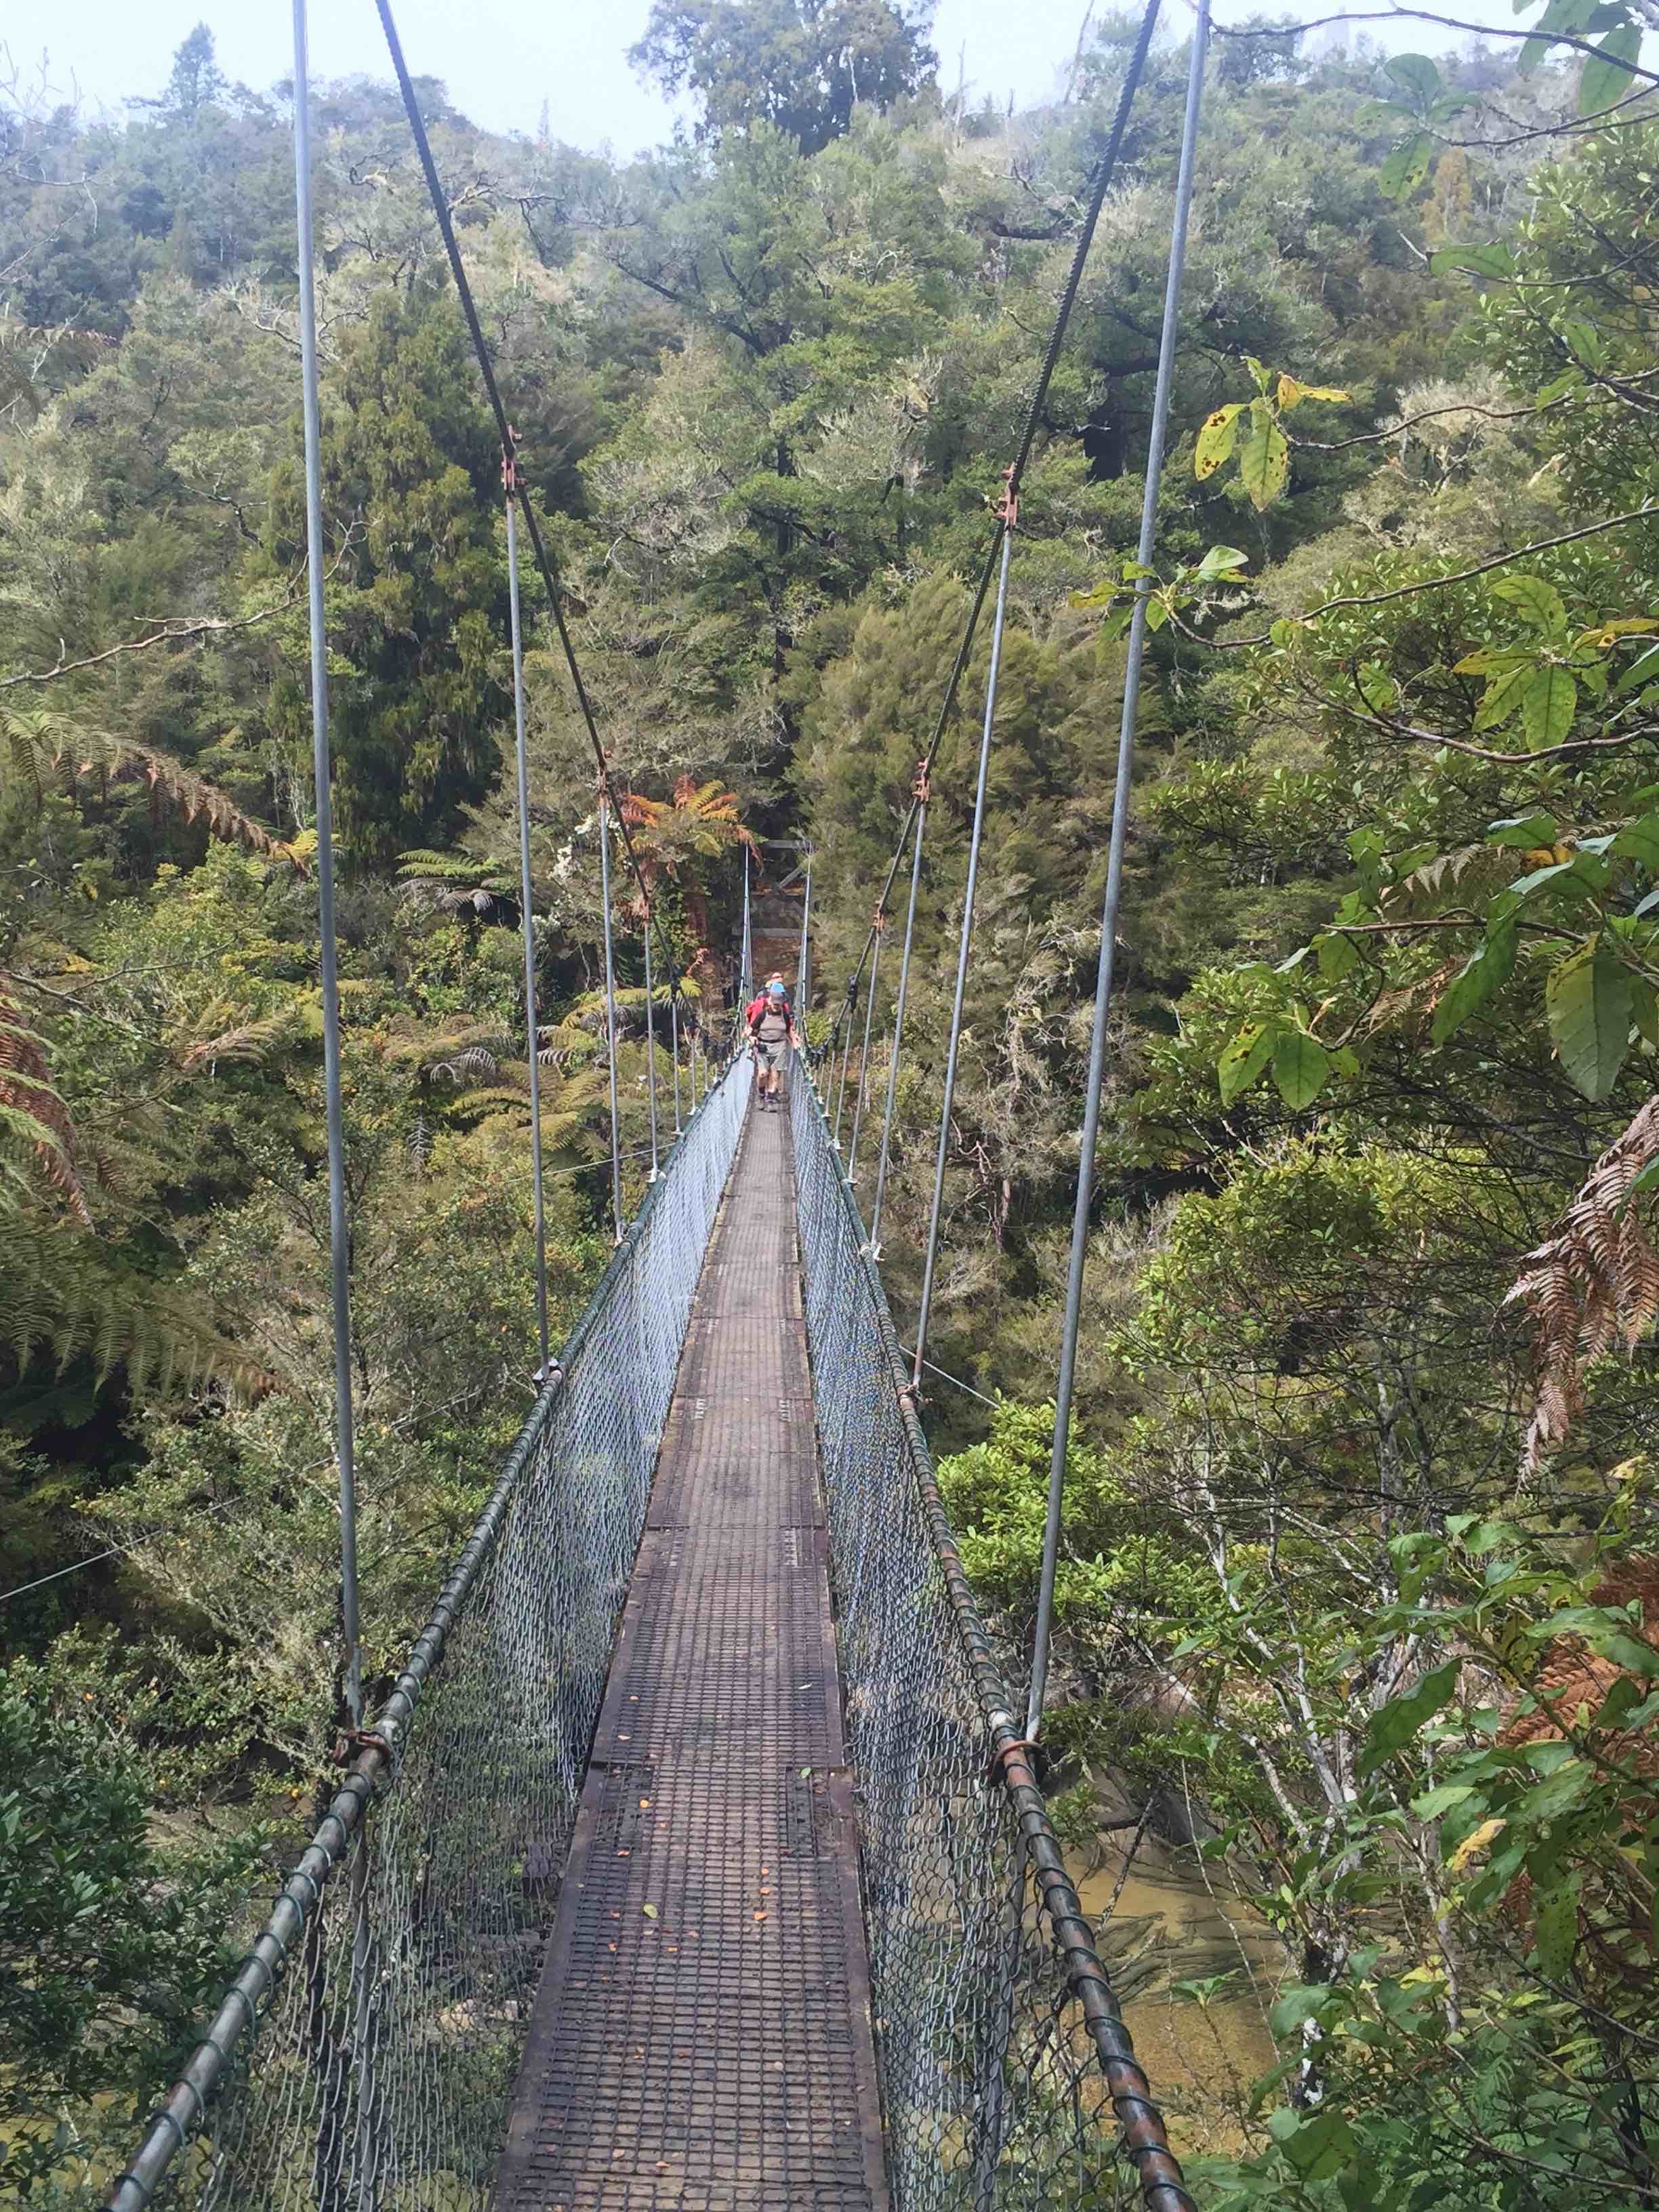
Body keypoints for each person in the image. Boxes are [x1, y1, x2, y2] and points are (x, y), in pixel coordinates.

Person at [745, 975, 800, 1110]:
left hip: (780, 1045)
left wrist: (794, 1041)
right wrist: (751, 1038)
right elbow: (749, 1030)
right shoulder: (762, 1012)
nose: (776, 1006)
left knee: (775, 1075)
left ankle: (770, 1100)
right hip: (763, 1045)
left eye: (778, 1004)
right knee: (763, 1073)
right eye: (774, 1003)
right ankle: (762, 1095)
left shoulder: (785, 1014)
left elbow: (789, 1029)